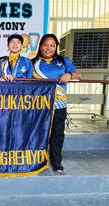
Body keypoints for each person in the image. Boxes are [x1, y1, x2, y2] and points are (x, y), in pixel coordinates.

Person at [32, 33, 81, 174]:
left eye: (52, 45)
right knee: (38, 133)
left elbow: (79, 74)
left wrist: (70, 74)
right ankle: (37, 160)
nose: (48, 48)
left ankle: (56, 162)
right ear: (40, 46)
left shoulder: (63, 61)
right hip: (39, 106)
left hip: (59, 106)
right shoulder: (32, 63)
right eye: (46, 45)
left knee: (57, 134)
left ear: (56, 47)